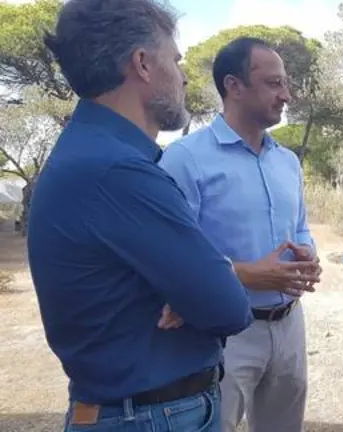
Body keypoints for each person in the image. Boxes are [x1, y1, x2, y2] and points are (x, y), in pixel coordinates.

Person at [27, 0, 255, 430]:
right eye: (176, 60)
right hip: (150, 417)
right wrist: (202, 287)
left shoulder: (90, 154)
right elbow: (228, 307)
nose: (183, 76)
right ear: (143, 64)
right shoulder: (117, 171)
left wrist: (194, 290)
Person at [158, 36, 321, 432]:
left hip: (290, 326)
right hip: (224, 334)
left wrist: (308, 254)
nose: (286, 95)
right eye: (274, 83)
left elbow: (300, 226)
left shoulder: (287, 161)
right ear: (233, 86)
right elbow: (170, 256)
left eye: (285, 83)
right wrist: (246, 274)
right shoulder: (185, 159)